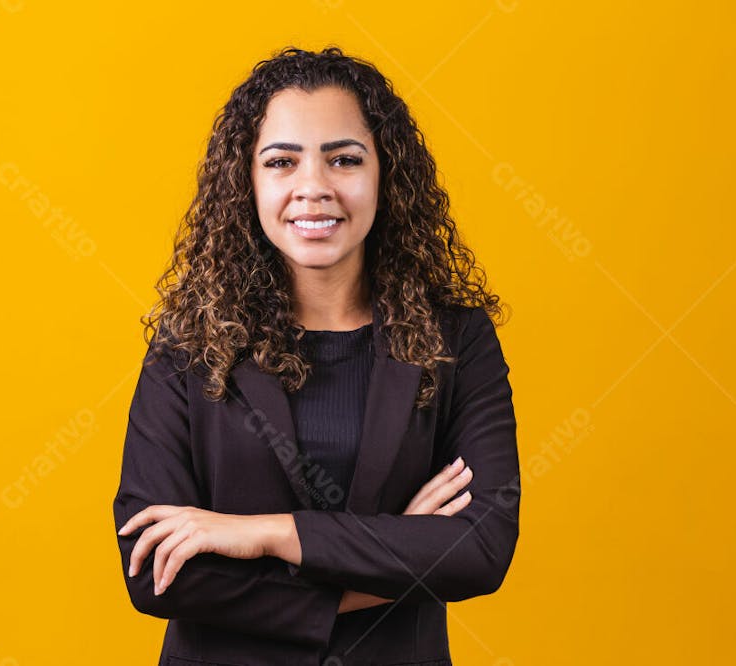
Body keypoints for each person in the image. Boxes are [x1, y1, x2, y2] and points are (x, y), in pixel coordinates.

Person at [112, 45, 520, 666]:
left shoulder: (455, 340)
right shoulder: (189, 343)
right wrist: (397, 557)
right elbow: (157, 572)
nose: (314, 188)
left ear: (387, 174)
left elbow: (479, 549)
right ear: (246, 181)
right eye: (282, 161)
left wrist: (265, 533)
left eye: (344, 159)